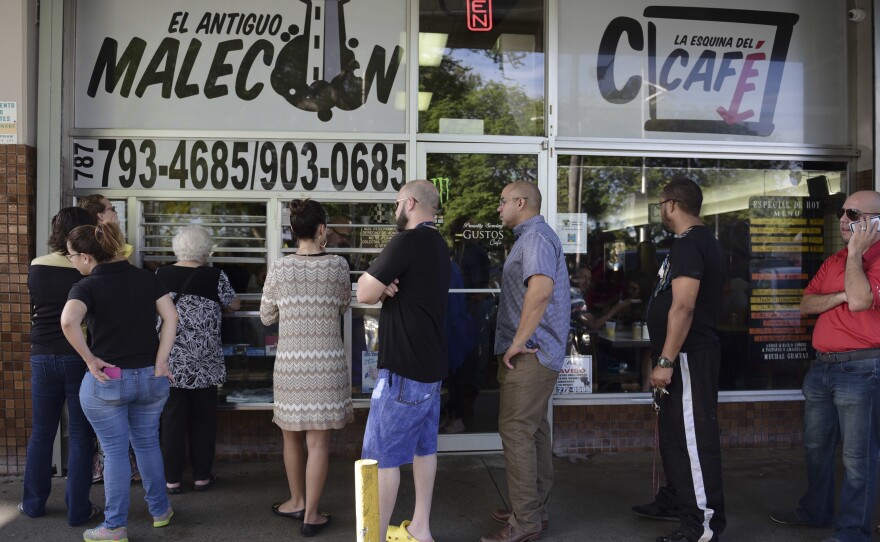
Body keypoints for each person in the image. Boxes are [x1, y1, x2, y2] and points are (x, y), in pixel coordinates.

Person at [770, 190, 880, 542]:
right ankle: (815, 511)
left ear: (876, 221)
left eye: (852, 213)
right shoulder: (834, 260)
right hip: (822, 369)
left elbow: (862, 301)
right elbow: (805, 304)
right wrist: (840, 296)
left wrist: (856, 258)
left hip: (863, 370)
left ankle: (853, 531)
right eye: (841, 212)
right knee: (816, 446)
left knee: (857, 456)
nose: (843, 220)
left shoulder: (868, 259)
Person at [60, 221, 178, 542]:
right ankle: (160, 511)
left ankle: (114, 527)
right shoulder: (146, 278)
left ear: (86, 257)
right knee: (147, 444)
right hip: (151, 377)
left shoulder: (86, 287)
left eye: (70, 256)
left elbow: (69, 321)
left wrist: (90, 359)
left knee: (114, 451)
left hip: (109, 377)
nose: (70, 261)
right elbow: (171, 317)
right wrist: (161, 360)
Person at [357, 180, 450, 542]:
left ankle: (375, 537)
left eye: (396, 203)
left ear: (409, 203)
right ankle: (420, 528)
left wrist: (380, 282)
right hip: (429, 366)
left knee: (383, 458)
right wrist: (387, 282)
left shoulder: (407, 241)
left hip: (403, 369)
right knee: (425, 449)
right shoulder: (438, 244)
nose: (394, 210)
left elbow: (365, 290)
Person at [481, 181, 570, 542]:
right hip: (539, 353)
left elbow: (541, 289)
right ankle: (531, 507)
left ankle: (525, 522)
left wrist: (516, 344)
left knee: (518, 432)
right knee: (533, 432)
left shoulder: (534, 238)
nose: (498, 208)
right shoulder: (533, 236)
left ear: (521, 202)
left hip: (531, 355)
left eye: (503, 201)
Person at [639, 177, 726, 542]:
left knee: (692, 438)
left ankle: (701, 528)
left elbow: (684, 306)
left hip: (688, 356)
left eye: (659, 204)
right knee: (675, 435)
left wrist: (667, 360)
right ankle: (676, 500)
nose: (659, 210)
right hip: (681, 356)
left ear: (672, 204)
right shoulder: (694, 243)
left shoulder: (692, 244)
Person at [260, 200, 352, 537]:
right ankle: (311, 514)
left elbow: (266, 315)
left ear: (294, 232)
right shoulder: (339, 266)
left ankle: (296, 500)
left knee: (291, 439)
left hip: (290, 365)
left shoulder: (280, 268)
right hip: (327, 364)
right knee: (318, 444)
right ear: (322, 229)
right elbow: (343, 304)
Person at [20, 207, 100, 527]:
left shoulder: (37, 265)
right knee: (80, 435)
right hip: (78, 357)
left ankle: (33, 503)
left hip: (41, 355)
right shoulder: (86, 268)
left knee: (41, 432)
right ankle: (78, 510)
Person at [156, 225, 241, 494]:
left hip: (171, 359)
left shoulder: (161, 274)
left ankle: (172, 479)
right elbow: (235, 304)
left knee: (171, 420)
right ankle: (202, 477)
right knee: (204, 420)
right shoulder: (215, 276)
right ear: (205, 250)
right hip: (205, 360)